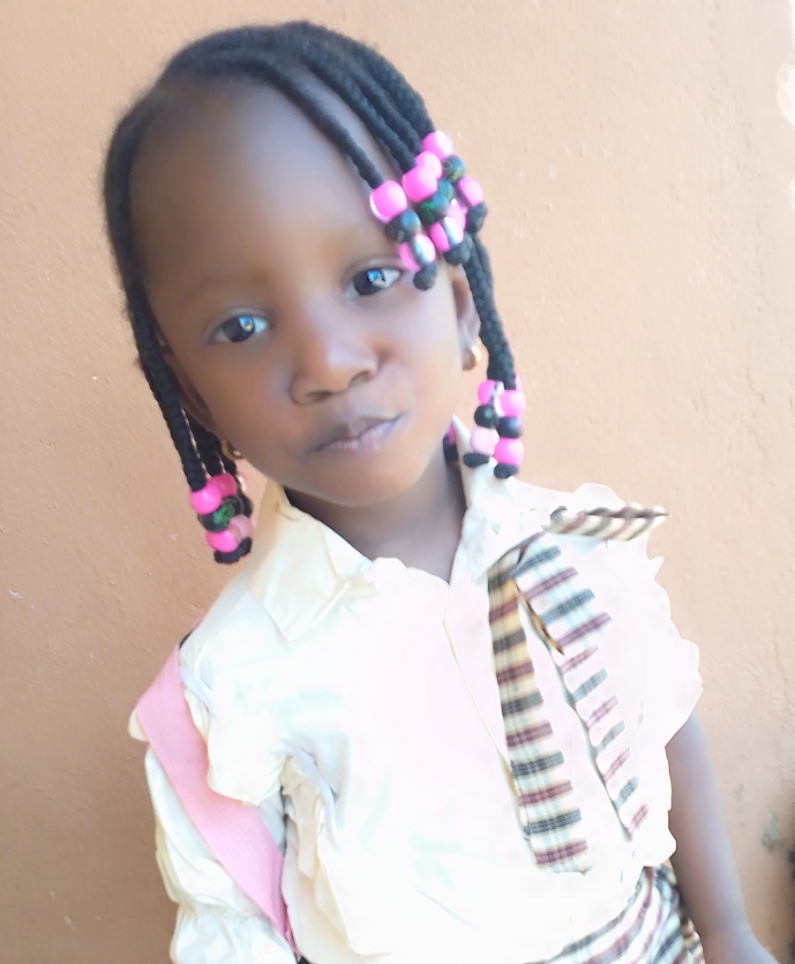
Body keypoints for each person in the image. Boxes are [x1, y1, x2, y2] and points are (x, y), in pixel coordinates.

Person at [103, 22, 774, 964]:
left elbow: (664, 719)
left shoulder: (574, 547)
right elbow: (233, 927)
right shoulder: (229, 690)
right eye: (243, 326)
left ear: (459, 306)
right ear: (192, 397)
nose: (329, 361)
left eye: (372, 277)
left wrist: (731, 932)